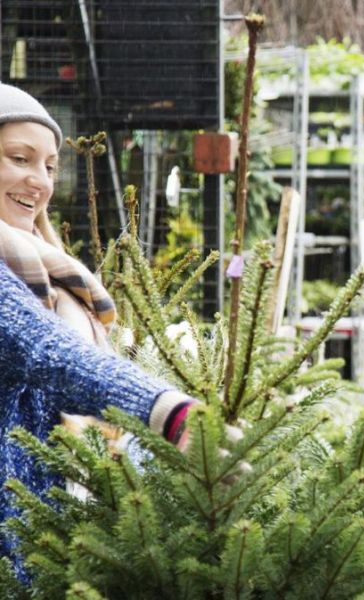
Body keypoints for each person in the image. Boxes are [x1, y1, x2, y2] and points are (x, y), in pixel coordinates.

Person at [0, 83, 198, 577]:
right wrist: (172, 414)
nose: (38, 182)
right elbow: (48, 352)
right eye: (19, 158)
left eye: (48, 166)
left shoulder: (48, 271)